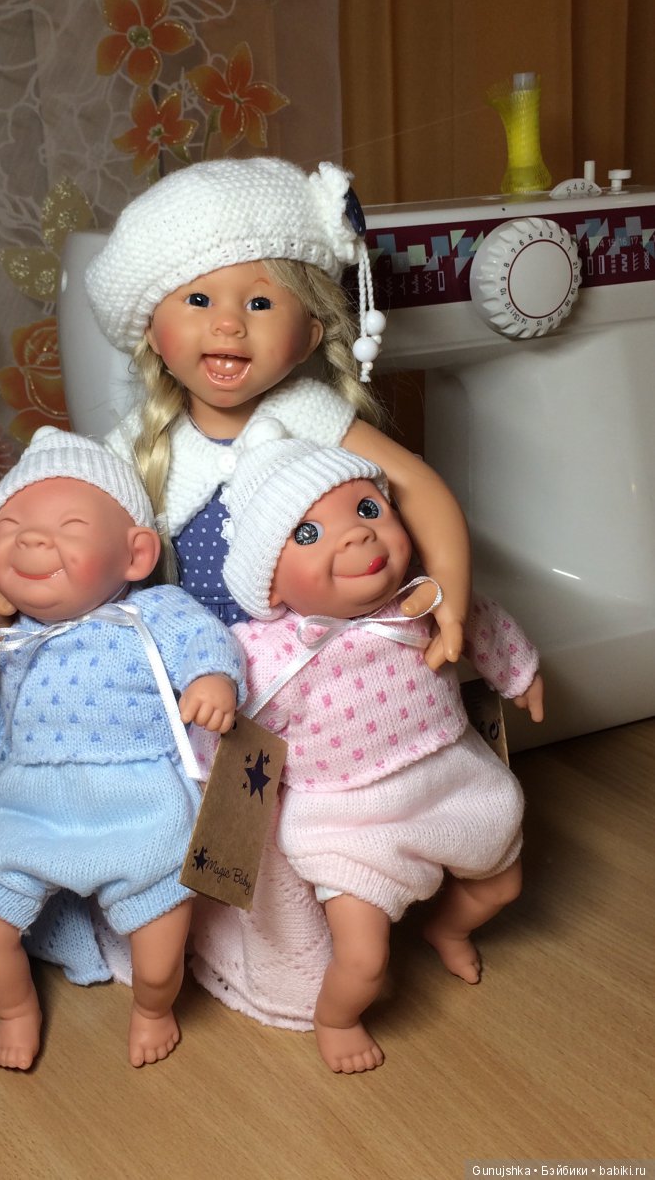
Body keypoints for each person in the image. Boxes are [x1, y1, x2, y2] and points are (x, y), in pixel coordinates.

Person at [0, 157, 476, 1029]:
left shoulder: (314, 418)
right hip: (199, 681)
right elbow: (55, 534)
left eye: (261, 301)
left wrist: (449, 593)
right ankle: (191, 938)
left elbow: (417, 488)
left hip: (311, 665)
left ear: (310, 331)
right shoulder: (139, 443)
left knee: (317, 814)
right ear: (151, 331)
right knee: (217, 820)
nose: (228, 322)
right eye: (198, 299)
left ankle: (337, 934)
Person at [218, 429, 544, 1073]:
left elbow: (479, 620)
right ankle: (336, 1018)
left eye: (368, 509)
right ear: (272, 588)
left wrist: (520, 673)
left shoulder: (420, 600)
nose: (357, 536)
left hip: (452, 778)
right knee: (364, 959)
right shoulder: (266, 650)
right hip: (346, 819)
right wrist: (209, 705)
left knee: (502, 885)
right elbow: (226, 713)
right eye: (309, 534)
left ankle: (448, 926)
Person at [0, 427, 244, 1070]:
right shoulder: (7, 633)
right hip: (27, 804)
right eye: (11, 526)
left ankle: (153, 1009)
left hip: (139, 802)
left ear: (135, 554)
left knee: (159, 954)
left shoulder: (153, 610)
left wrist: (214, 679)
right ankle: (16, 1010)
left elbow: (206, 640)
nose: (30, 539)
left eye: (69, 526)